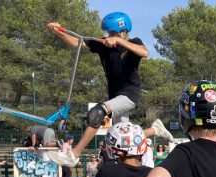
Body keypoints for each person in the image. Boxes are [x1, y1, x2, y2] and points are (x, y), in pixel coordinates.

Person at [46, 12, 173, 167]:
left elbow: (144, 53)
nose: (109, 36)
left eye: (112, 33)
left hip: (129, 95)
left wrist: (118, 40)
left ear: (124, 31)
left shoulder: (134, 42)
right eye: (108, 33)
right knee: (120, 137)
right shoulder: (103, 45)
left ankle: (73, 155)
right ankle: (154, 129)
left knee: (97, 112)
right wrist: (57, 31)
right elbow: (76, 43)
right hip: (115, 95)